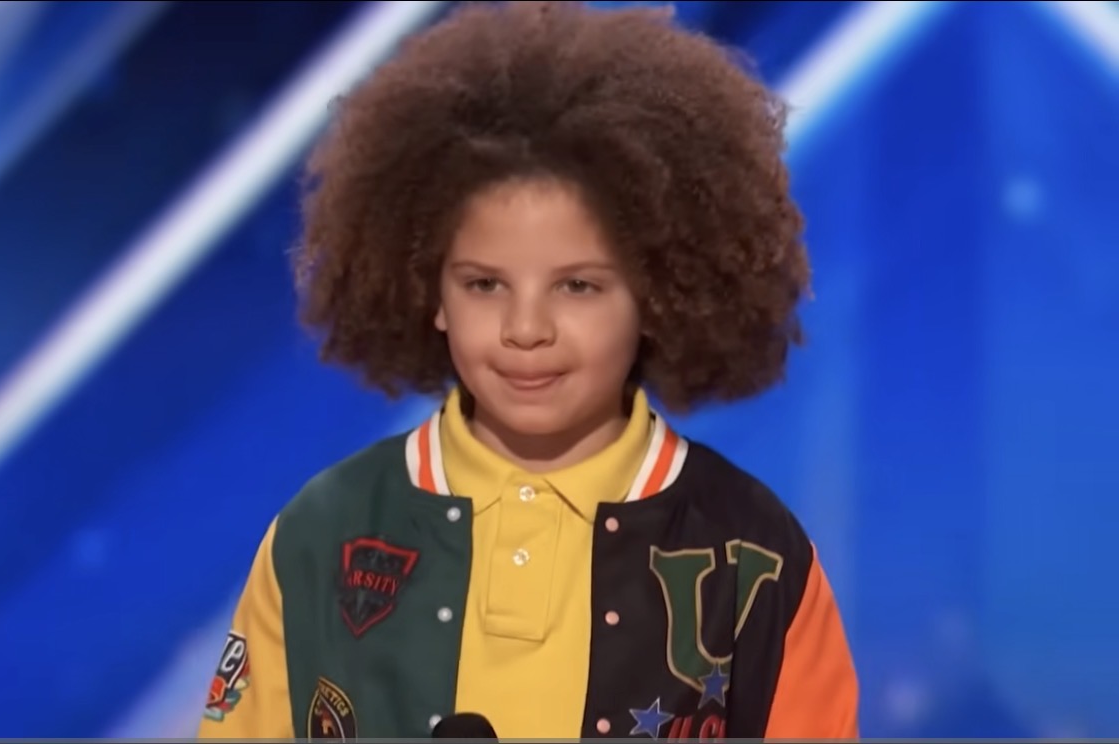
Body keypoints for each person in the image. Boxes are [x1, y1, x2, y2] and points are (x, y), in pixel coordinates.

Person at [197, 1, 859, 739]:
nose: (525, 330)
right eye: (485, 284)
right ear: (428, 291)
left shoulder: (755, 557)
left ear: (658, 293)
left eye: (577, 286)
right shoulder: (324, 534)